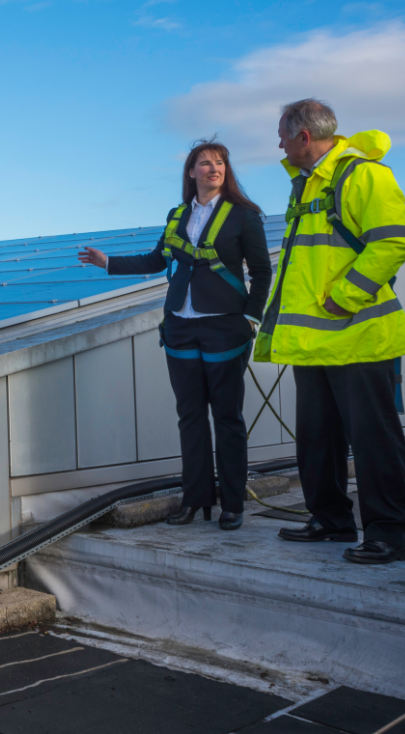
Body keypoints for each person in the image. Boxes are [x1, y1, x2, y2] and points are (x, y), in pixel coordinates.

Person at [254, 99, 405, 565]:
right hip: (314, 342)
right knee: (317, 437)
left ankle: (387, 533)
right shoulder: (307, 184)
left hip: (357, 335)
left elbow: (390, 244)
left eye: (283, 135)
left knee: (373, 439)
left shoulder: (365, 176)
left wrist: (343, 296)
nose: (279, 144)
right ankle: (330, 519)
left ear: (303, 137)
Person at [79, 140, 271, 530]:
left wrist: (251, 317)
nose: (213, 168)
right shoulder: (177, 215)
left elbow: (263, 272)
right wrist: (109, 262)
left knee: (228, 417)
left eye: (220, 163)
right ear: (191, 172)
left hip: (225, 326)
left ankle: (232, 503)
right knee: (190, 417)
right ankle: (194, 500)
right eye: (205, 163)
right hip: (180, 325)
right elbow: (156, 259)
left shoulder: (244, 215)